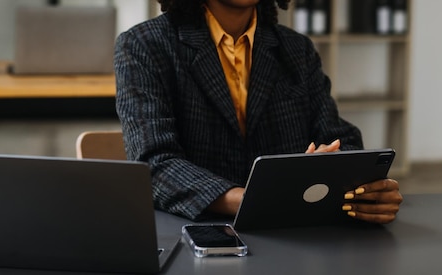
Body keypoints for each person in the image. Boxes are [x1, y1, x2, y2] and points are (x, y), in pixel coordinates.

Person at [114, 0, 402, 224]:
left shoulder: (296, 49)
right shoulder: (143, 45)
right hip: (196, 231)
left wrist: (363, 188)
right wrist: (250, 199)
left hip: (292, 234)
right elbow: (153, 163)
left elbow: (339, 137)